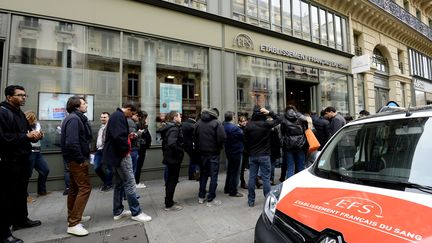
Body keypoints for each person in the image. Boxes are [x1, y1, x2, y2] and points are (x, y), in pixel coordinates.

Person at [0, 85, 43, 243]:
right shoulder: (3, 112)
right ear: (9, 97)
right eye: (20, 95)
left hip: (23, 158)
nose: (23, 97)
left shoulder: (19, 113)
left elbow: (25, 134)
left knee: (20, 193)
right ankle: (4, 233)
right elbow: (4, 138)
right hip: (9, 161)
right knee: (7, 196)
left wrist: (36, 136)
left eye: (25, 95)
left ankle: (21, 220)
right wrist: (26, 136)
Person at [103, 101, 152, 223]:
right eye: (132, 113)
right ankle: (136, 212)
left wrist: (128, 137)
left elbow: (118, 136)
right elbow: (118, 138)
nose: (132, 116)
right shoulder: (119, 116)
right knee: (130, 183)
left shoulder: (116, 116)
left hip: (117, 155)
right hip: (122, 156)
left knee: (120, 184)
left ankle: (118, 211)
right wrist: (127, 149)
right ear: (128, 109)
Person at [61, 95, 93, 236]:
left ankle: (73, 216)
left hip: (74, 159)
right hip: (76, 160)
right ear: (77, 106)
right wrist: (81, 159)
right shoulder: (74, 119)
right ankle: (74, 223)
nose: (86, 105)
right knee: (85, 188)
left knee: (74, 189)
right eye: (84, 103)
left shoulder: (75, 118)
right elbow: (72, 142)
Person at [244, 106, 281, 207]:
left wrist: (249, 152)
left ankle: (251, 200)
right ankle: (268, 200)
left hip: (253, 155)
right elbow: (279, 119)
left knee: (252, 177)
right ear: (263, 114)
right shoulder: (266, 124)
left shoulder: (249, 125)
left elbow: (245, 141)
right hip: (264, 155)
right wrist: (269, 112)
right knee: (266, 178)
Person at [194, 108, 226, 206]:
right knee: (213, 176)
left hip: (202, 154)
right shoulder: (217, 123)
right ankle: (211, 199)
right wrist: (219, 147)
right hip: (213, 153)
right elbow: (222, 137)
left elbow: (194, 137)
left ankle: (201, 196)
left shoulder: (198, 123)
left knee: (203, 175)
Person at [158, 110, 184, 211]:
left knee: (170, 180)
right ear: (174, 118)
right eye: (179, 116)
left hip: (169, 157)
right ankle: (169, 203)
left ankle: (169, 200)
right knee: (172, 181)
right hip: (173, 158)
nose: (180, 118)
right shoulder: (174, 129)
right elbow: (171, 143)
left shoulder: (169, 127)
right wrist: (180, 151)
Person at [25, 110, 50, 196]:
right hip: (30, 152)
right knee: (27, 174)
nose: (35, 120)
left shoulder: (37, 125)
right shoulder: (23, 126)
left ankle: (41, 190)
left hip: (37, 152)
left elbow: (38, 136)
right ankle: (25, 196)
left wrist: (41, 135)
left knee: (45, 170)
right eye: (34, 119)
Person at [280, 105, 308, 179]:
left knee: (290, 167)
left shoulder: (284, 118)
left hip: (288, 145)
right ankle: (301, 185)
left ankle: (290, 185)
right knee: (301, 167)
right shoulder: (300, 117)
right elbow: (306, 128)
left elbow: (282, 133)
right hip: (300, 144)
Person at [222, 111, 244, 197]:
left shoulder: (224, 126)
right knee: (235, 171)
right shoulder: (235, 128)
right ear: (232, 118)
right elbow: (243, 137)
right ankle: (233, 191)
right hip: (236, 151)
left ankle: (227, 188)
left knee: (230, 171)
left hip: (228, 150)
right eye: (234, 117)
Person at [93, 112, 113, 191]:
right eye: (101, 117)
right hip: (99, 150)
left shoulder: (110, 127)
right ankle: (106, 182)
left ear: (108, 118)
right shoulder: (101, 127)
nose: (102, 119)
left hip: (106, 150)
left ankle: (108, 184)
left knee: (108, 168)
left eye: (104, 117)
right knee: (96, 167)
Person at [135, 110, 152, 188]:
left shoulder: (138, 125)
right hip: (140, 148)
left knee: (136, 165)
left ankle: (135, 182)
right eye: (146, 117)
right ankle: (136, 182)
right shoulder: (141, 126)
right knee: (138, 166)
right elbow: (148, 138)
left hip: (139, 148)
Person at [181, 113, 200, 181]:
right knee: (194, 160)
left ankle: (191, 175)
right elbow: (195, 136)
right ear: (195, 117)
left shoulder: (183, 124)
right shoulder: (193, 125)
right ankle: (194, 175)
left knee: (192, 160)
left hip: (184, 145)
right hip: (192, 145)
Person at [238, 115, 248, 189]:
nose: (244, 122)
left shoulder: (247, 128)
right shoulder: (238, 129)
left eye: (245, 121)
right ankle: (242, 181)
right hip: (242, 150)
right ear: (239, 122)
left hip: (247, 150)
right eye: (242, 121)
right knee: (241, 168)